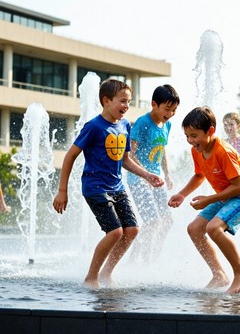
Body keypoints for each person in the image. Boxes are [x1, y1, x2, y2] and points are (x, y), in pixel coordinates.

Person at [53, 78, 164, 289]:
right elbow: (70, 156)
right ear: (106, 101)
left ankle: (106, 273)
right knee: (115, 232)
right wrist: (62, 191)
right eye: (122, 101)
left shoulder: (124, 126)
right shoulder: (94, 126)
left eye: (128, 102)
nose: (126, 106)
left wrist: (146, 175)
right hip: (95, 188)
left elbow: (125, 160)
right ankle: (91, 277)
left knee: (131, 230)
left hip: (117, 187)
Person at [168, 106, 240, 294]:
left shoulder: (223, 151)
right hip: (227, 196)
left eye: (194, 135)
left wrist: (209, 199)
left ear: (210, 131)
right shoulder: (197, 150)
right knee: (194, 228)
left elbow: (239, 186)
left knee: (213, 228)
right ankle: (219, 274)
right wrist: (182, 194)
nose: (191, 141)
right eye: (187, 136)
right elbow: (199, 175)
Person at [127, 84, 180, 262]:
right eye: (167, 109)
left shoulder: (167, 124)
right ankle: (145, 262)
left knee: (167, 221)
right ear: (154, 104)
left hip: (157, 179)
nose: (170, 113)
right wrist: (145, 175)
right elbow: (130, 153)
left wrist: (167, 174)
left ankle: (152, 256)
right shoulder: (143, 123)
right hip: (139, 179)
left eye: (173, 110)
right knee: (152, 222)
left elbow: (161, 149)